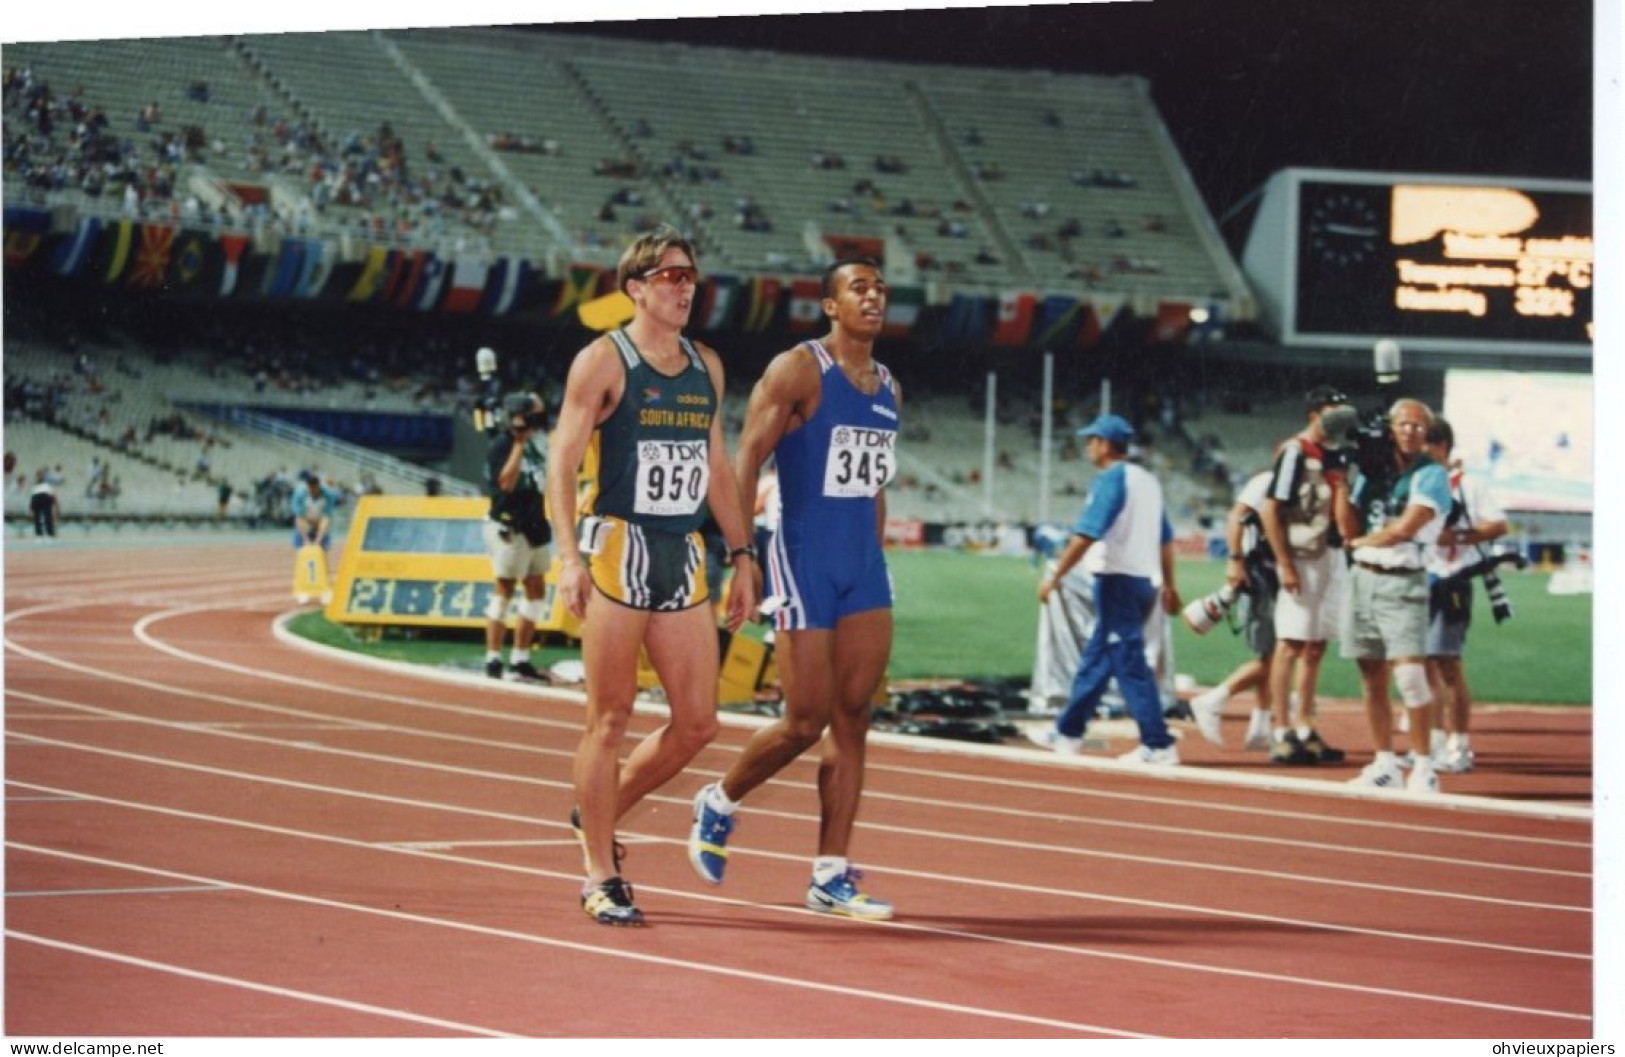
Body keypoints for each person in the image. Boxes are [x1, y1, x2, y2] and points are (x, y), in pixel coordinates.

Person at [545, 226, 758, 926]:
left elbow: (717, 469)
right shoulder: (602, 362)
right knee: (608, 718)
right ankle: (600, 873)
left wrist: (744, 554)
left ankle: (595, 813)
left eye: (690, 275)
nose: (683, 286)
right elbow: (562, 462)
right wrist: (569, 556)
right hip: (618, 549)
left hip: (683, 554)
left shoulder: (708, 367)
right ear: (634, 287)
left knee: (697, 722)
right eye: (668, 276)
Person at [687, 257, 901, 921]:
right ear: (830, 305)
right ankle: (718, 800)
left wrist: (875, 550)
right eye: (856, 288)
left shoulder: (888, 383)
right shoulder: (798, 369)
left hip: (862, 565)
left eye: (878, 289)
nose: (872, 297)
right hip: (802, 559)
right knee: (804, 721)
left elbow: (873, 481)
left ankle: (830, 872)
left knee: (855, 716)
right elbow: (747, 456)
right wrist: (743, 554)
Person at [1028, 413, 1183, 764]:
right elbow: (1166, 540)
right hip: (1142, 582)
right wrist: (1170, 585)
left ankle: (1159, 744)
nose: (1087, 446)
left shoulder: (1111, 479)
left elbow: (1087, 532)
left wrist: (1055, 576)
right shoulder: (1148, 481)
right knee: (1097, 660)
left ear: (1105, 444)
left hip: (1117, 581)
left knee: (1129, 662)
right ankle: (1067, 732)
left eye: (1091, 440)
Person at [1334, 398, 1453, 793]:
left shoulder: (1432, 475)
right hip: (1363, 579)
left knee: (1410, 676)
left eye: (1418, 426)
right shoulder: (1375, 471)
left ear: (1426, 433)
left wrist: (1359, 542)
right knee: (1370, 676)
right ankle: (1385, 761)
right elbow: (1347, 524)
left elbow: (1403, 529)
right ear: (1391, 429)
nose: (1410, 431)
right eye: (1403, 424)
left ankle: (1423, 765)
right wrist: (1340, 483)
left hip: (1403, 581)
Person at [1257, 385, 1350, 765]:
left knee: (1315, 647)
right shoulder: (1295, 453)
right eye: (1332, 412)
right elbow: (1270, 510)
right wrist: (1284, 563)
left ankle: (1305, 727)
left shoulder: (1338, 455)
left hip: (1330, 554)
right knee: (1291, 644)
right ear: (1314, 414)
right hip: (1302, 556)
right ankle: (1280, 730)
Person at [1421, 417, 1508, 774]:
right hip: (1418, 578)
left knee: (1448, 664)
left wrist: (1455, 537)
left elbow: (1497, 524)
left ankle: (1459, 746)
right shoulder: (1416, 484)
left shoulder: (1469, 486)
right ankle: (1434, 741)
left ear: (1440, 446)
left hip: (1452, 578)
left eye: (1425, 445)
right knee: (1422, 662)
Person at [1189, 470, 1276, 751]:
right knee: (1279, 655)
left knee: (1272, 654)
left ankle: (1261, 728)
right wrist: (1235, 560)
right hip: (1263, 574)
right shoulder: (1268, 481)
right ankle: (1213, 699)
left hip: (1270, 575)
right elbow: (1236, 514)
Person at [482, 391, 552, 683]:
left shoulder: (540, 443)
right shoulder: (502, 445)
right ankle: (493, 658)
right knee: (505, 589)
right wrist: (519, 444)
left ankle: (521, 658)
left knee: (536, 589)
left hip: (535, 523)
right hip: (510, 524)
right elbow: (505, 483)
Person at [290, 472, 336, 554]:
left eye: (315, 489)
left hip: (319, 523)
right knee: (302, 551)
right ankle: (303, 542)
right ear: (307, 487)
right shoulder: (300, 495)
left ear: (318, 486)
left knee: (322, 551)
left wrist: (319, 539)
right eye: (310, 489)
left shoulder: (328, 495)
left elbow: (326, 518)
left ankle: (321, 544)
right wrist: (305, 539)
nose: (313, 491)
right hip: (306, 523)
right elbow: (300, 518)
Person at [29, 469, 59, 539]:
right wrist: (31, 510)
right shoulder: (34, 487)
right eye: (38, 476)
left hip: (45, 498)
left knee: (47, 517)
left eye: (41, 476)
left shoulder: (47, 485)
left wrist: (56, 507)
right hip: (36, 498)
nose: (39, 477)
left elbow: (53, 495)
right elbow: (32, 499)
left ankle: (50, 534)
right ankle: (39, 534)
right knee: (37, 518)